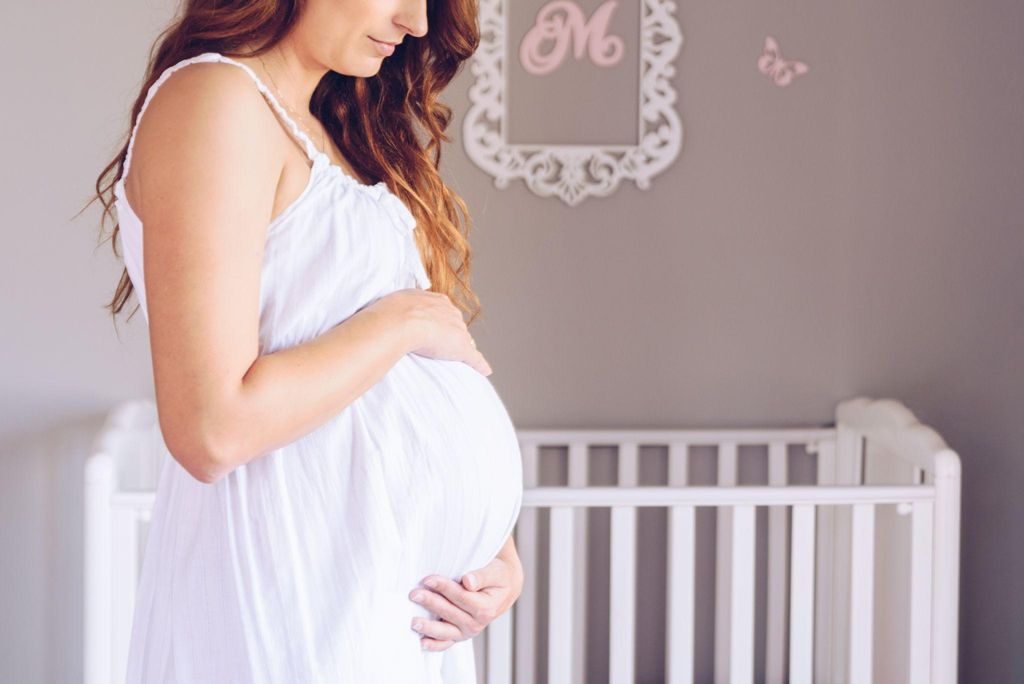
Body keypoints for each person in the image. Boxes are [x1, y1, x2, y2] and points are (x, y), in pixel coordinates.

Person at [89, 0, 525, 680]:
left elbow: (362, 394)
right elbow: (212, 430)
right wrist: (402, 321)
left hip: (377, 598)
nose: (415, 22)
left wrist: (487, 546)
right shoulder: (217, 100)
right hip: (289, 594)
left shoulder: (331, 131)